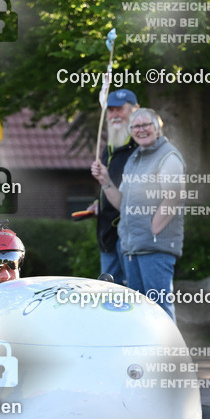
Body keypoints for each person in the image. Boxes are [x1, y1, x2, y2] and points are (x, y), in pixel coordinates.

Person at [92, 107, 184, 320]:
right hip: (131, 248)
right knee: (139, 312)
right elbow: (122, 204)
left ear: (157, 127)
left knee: (160, 309)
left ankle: (170, 353)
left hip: (155, 248)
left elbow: (175, 195)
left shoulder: (168, 155)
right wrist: (105, 181)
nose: (141, 130)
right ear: (131, 131)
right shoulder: (134, 159)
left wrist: (153, 229)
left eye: (146, 125)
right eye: (136, 126)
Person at [84, 89, 139, 284]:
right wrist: (99, 203)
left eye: (120, 109)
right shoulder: (110, 147)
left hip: (130, 238)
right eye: (110, 110)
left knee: (133, 296)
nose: (114, 114)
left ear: (135, 110)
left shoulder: (140, 148)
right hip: (107, 236)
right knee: (108, 296)